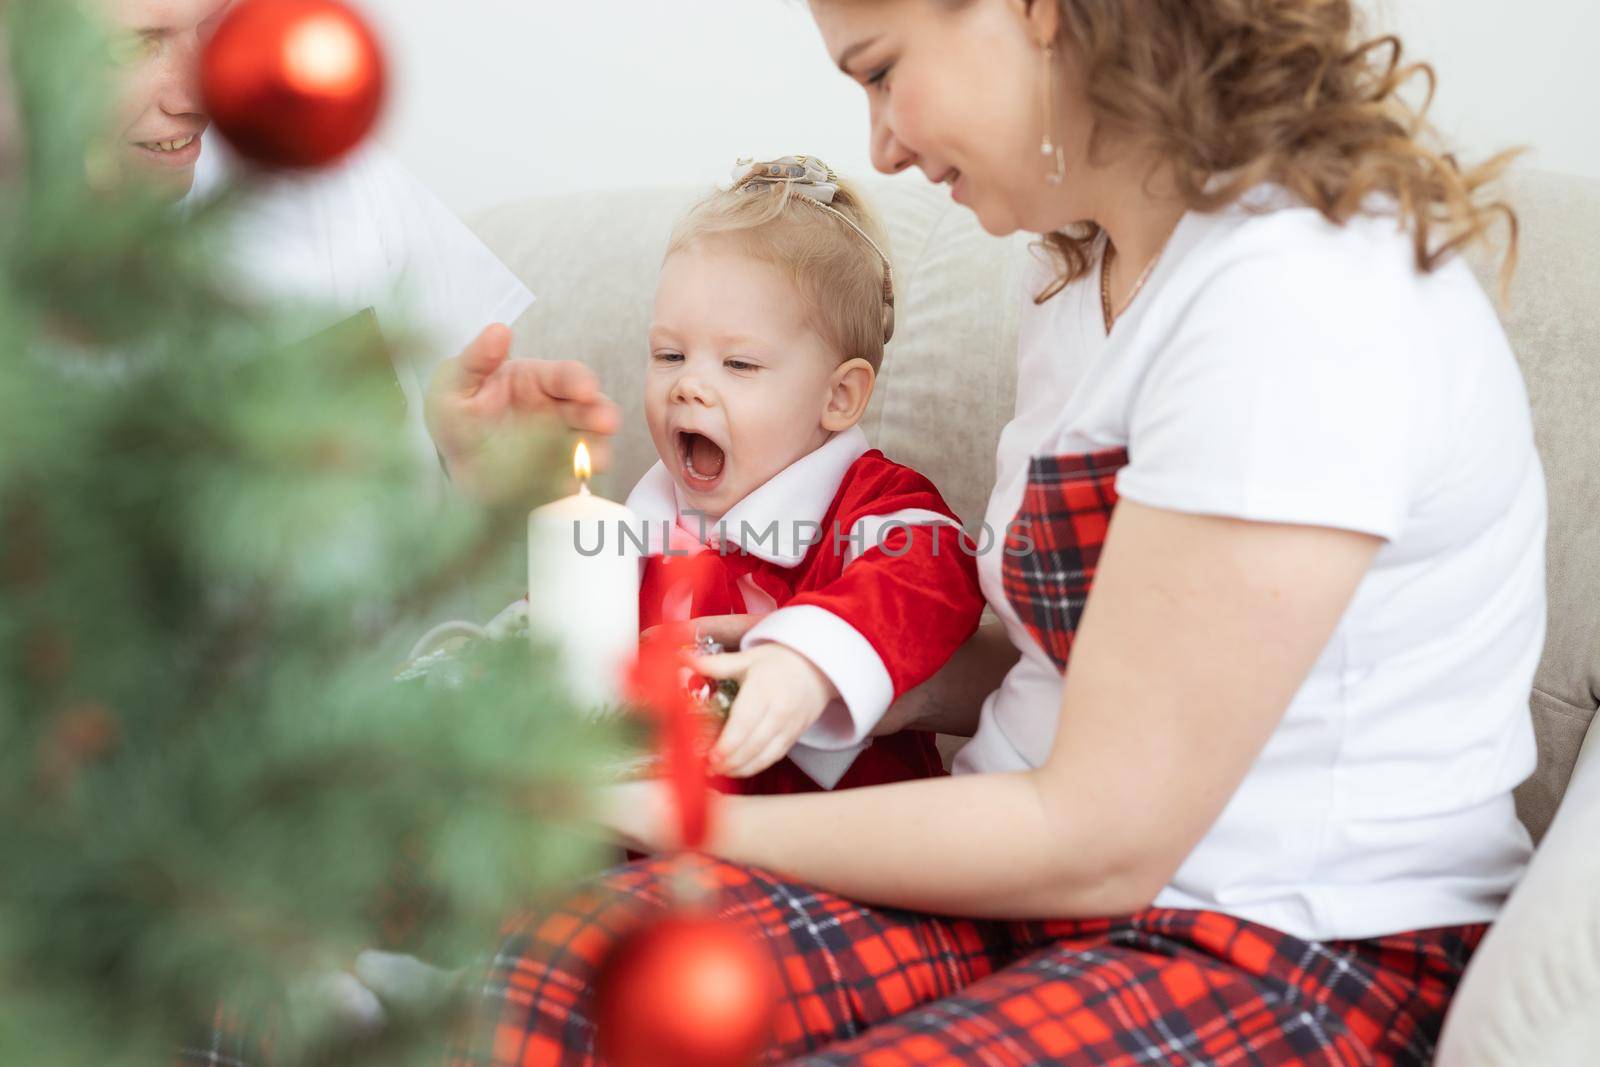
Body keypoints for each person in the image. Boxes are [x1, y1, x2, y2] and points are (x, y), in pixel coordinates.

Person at [451, 1, 1545, 1064]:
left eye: (881, 70)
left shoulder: (1294, 299)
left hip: (1282, 939)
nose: (878, 146)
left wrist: (666, 810)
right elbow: (1076, 667)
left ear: (1044, 12)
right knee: (560, 982)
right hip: (1028, 884)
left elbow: (1099, 836)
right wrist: (784, 658)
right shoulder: (1074, 275)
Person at [98, 0, 620, 493]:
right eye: (134, 46)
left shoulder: (317, 163)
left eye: (212, 28)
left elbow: (472, 410)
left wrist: (469, 463)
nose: (198, 97)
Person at [628, 155, 983, 791]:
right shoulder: (635, 524)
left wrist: (808, 660)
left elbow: (933, 573)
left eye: (739, 364)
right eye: (670, 354)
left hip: (841, 852)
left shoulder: (873, 503)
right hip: (658, 844)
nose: (688, 385)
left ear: (839, 397)